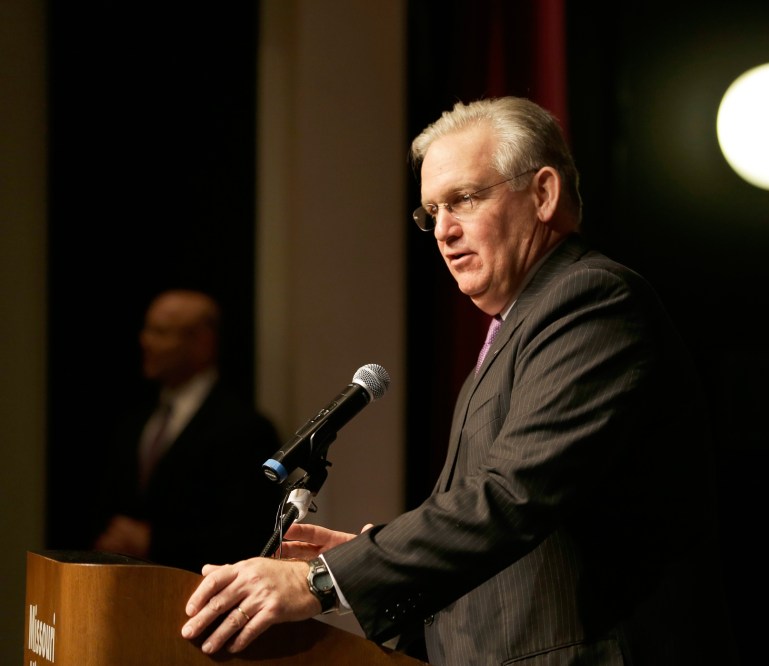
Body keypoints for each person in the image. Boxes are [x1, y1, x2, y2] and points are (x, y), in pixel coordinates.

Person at [181, 97, 738, 664]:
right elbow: (512, 538)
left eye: (465, 199)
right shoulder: (515, 328)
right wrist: (373, 560)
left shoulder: (591, 301)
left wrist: (321, 582)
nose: (444, 231)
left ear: (543, 194)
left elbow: (512, 496)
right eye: (431, 213)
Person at [92, 288, 284, 573]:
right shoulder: (136, 422)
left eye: (161, 332)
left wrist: (154, 542)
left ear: (203, 342)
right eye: (147, 330)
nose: (146, 341)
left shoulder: (246, 428)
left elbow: (249, 534)